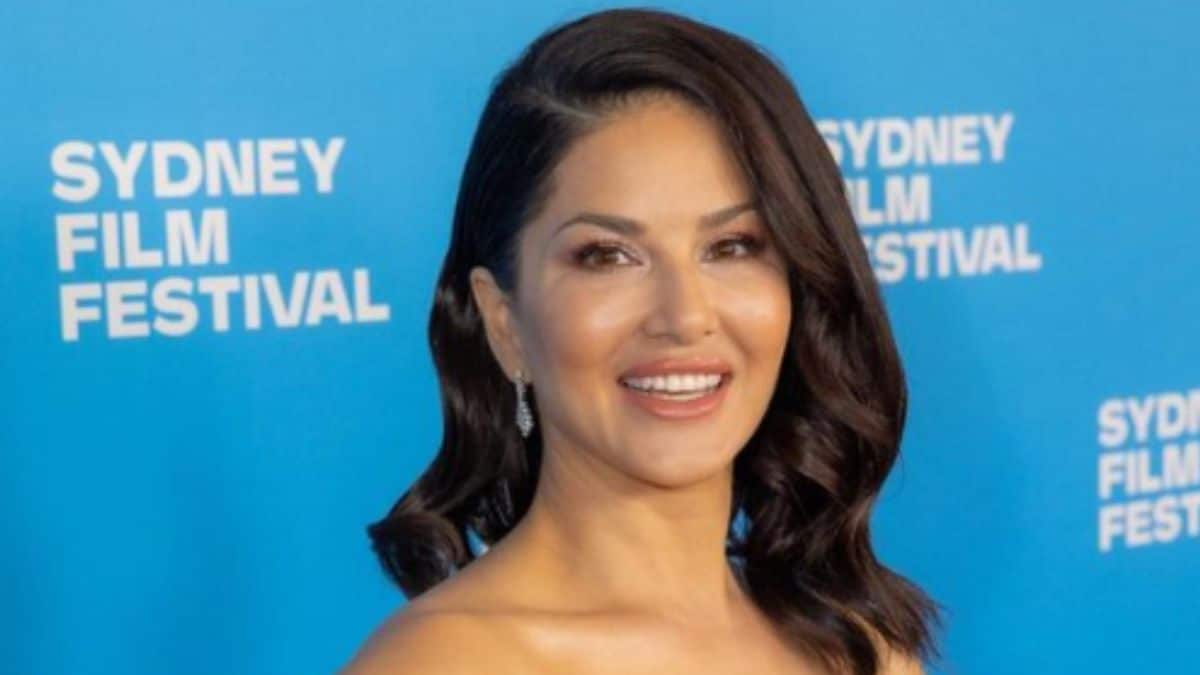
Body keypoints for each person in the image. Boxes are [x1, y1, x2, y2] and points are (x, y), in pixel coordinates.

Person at [342, 7, 941, 674]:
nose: (684, 316)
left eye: (732, 246)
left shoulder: (862, 651)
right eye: (608, 255)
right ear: (504, 321)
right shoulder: (443, 662)